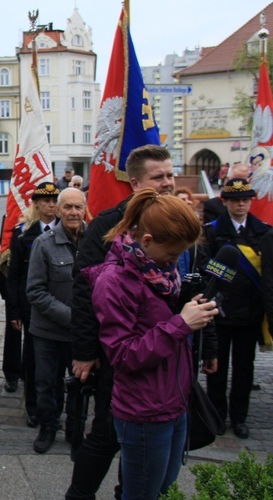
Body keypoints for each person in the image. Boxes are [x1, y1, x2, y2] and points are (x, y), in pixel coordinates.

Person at [85, 189, 217, 499]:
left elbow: (163, 325)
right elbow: (123, 354)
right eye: (172, 255)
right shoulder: (114, 280)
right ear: (146, 241)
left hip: (175, 402)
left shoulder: (159, 272)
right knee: (143, 494)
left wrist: (190, 312)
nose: (175, 263)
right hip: (144, 412)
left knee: (163, 491)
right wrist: (180, 324)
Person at [67, 144, 177, 499]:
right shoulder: (107, 224)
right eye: (158, 177)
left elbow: (189, 291)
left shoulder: (178, 218)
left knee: (148, 440)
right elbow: (83, 292)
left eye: (170, 175)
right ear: (135, 182)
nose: (168, 183)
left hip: (167, 350)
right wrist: (85, 351)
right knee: (107, 433)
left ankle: (126, 492)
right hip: (119, 351)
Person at [203, 178, 270, 439]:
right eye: (234, 200)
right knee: (216, 368)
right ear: (225, 202)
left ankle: (240, 417)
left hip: (250, 312)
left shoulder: (263, 231)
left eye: (244, 199)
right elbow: (207, 267)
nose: (240, 204)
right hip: (220, 310)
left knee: (245, 368)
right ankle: (217, 415)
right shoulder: (211, 231)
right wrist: (229, 278)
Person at [26, 187, 86, 453]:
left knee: (79, 384)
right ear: (59, 210)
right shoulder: (44, 243)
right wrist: (72, 317)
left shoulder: (95, 242)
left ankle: (75, 429)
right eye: (68, 207)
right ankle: (48, 427)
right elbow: (35, 291)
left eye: (78, 207)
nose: (73, 212)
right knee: (47, 384)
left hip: (82, 334)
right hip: (48, 332)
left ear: (85, 209)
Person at [5, 181, 60, 427]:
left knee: (58, 362)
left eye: (54, 200)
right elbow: (14, 275)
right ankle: (33, 407)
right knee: (33, 359)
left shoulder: (68, 230)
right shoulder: (23, 233)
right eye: (46, 201)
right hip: (31, 307)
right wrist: (14, 311)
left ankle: (56, 408)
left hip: (60, 303)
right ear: (36, 203)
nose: (51, 205)